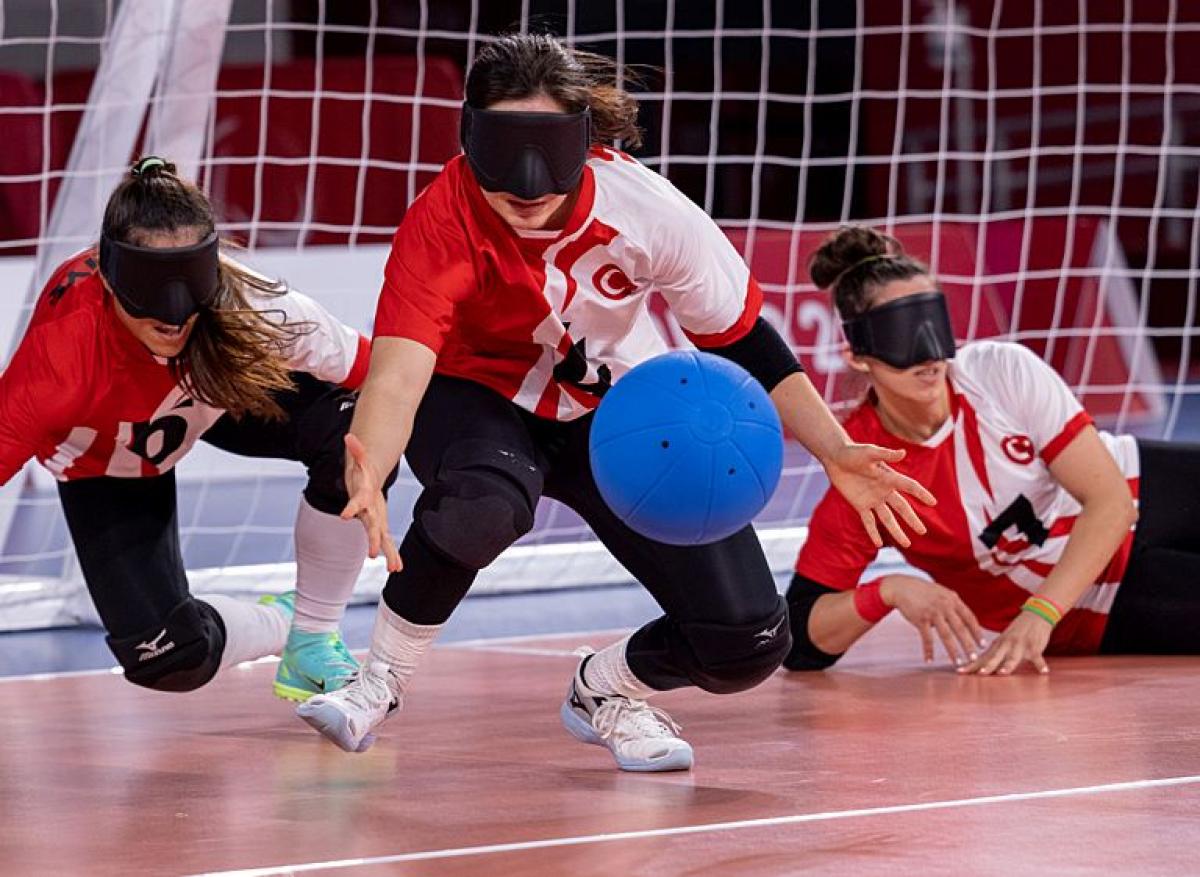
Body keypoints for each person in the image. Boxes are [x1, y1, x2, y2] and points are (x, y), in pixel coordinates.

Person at [296, 34, 936, 771]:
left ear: (585, 140)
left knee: (749, 642)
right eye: (506, 151)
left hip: (621, 415)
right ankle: (376, 683)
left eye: (549, 151)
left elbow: (743, 340)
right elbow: (401, 373)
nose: (529, 184)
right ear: (471, 138)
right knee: (484, 503)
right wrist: (370, 467)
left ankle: (607, 690)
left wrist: (834, 449)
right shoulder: (441, 219)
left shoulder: (648, 209)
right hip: (479, 397)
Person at [0, 157, 386, 699]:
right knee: (166, 656)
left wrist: (401, 463)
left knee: (355, 432)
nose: (175, 311)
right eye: (151, 283)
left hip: (214, 388)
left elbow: (388, 376)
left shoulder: (250, 305)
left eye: (191, 279)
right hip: (109, 458)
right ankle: (286, 623)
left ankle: (315, 638)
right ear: (109, 274)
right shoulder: (58, 362)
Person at [784, 224, 1200, 677]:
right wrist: (888, 590)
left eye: (932, 322)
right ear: (857, 354)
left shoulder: (1000, 371)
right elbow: (801, 641)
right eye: (899, 331)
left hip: (1136, 487)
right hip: (1092, 600)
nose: (928, 353)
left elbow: (1112, 502)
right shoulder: (868, 471)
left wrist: (1037, 613)